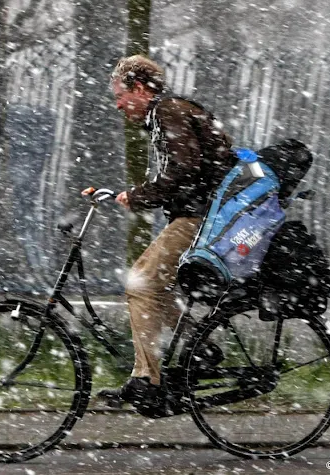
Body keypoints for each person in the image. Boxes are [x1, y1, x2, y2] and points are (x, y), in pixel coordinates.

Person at [98, 55, 236, 406]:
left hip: (203, 217)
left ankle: (146, 379)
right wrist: (126, 194)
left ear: (140, 89)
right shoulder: (169, 112)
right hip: (207, 213)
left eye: (119, 95)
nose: (117, 105)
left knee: (141, 281)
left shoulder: (168, 111)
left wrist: (140, 196)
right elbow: (186, 167)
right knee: (157, 287)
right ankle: (200, 349)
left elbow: (185, 169)